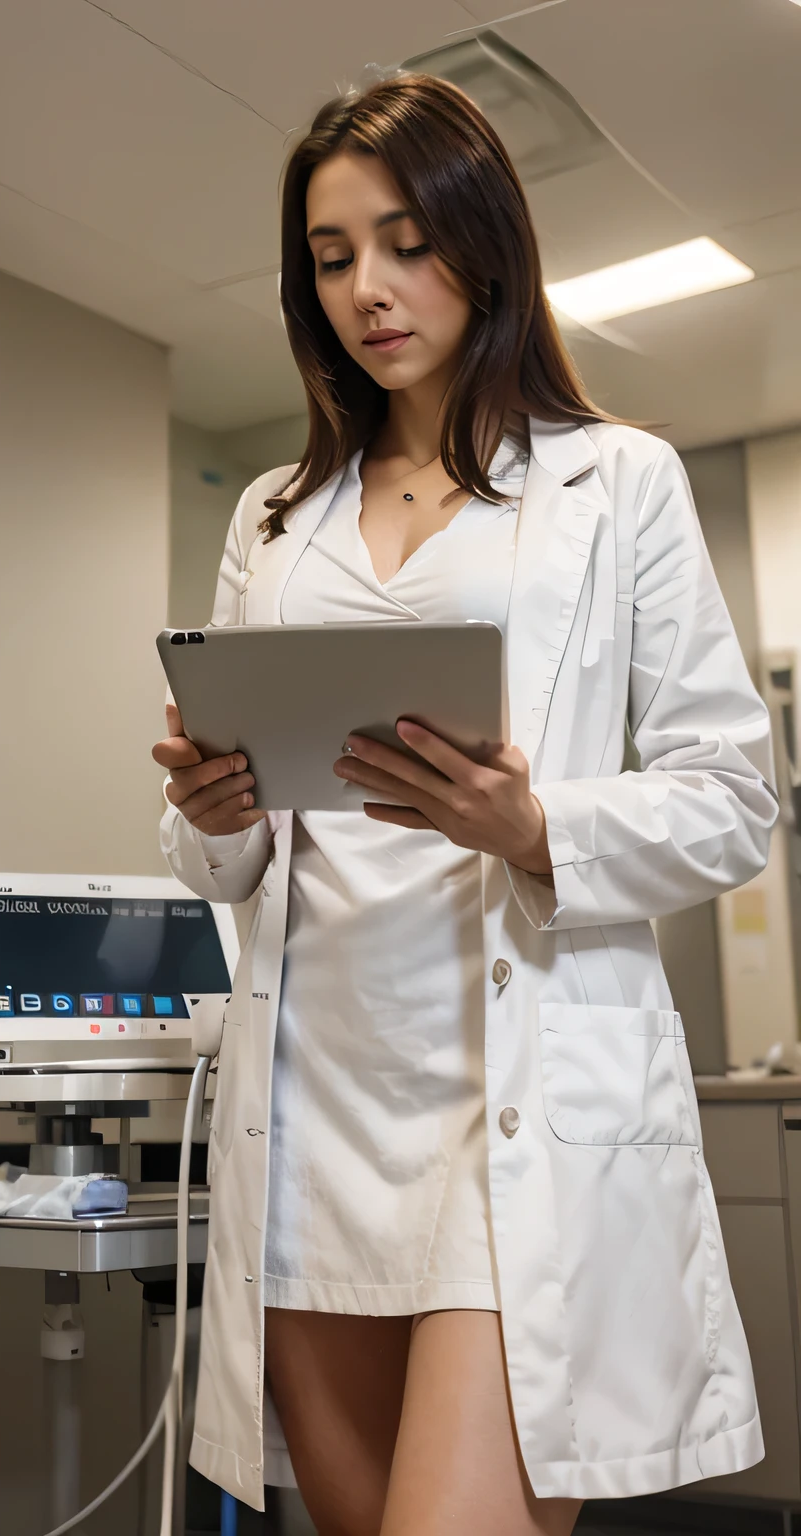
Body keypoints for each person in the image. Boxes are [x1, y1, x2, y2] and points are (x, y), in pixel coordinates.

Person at [153, 71, 777, 1536]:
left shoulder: (615, 480)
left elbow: (734, 796)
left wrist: (537, 825)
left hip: (512, 1123)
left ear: (482, 240)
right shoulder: (269, 518)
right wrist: (220, 799)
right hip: (312, 1122)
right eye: (330, 255)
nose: (369, 286)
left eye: (405, 241)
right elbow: (218, 864)